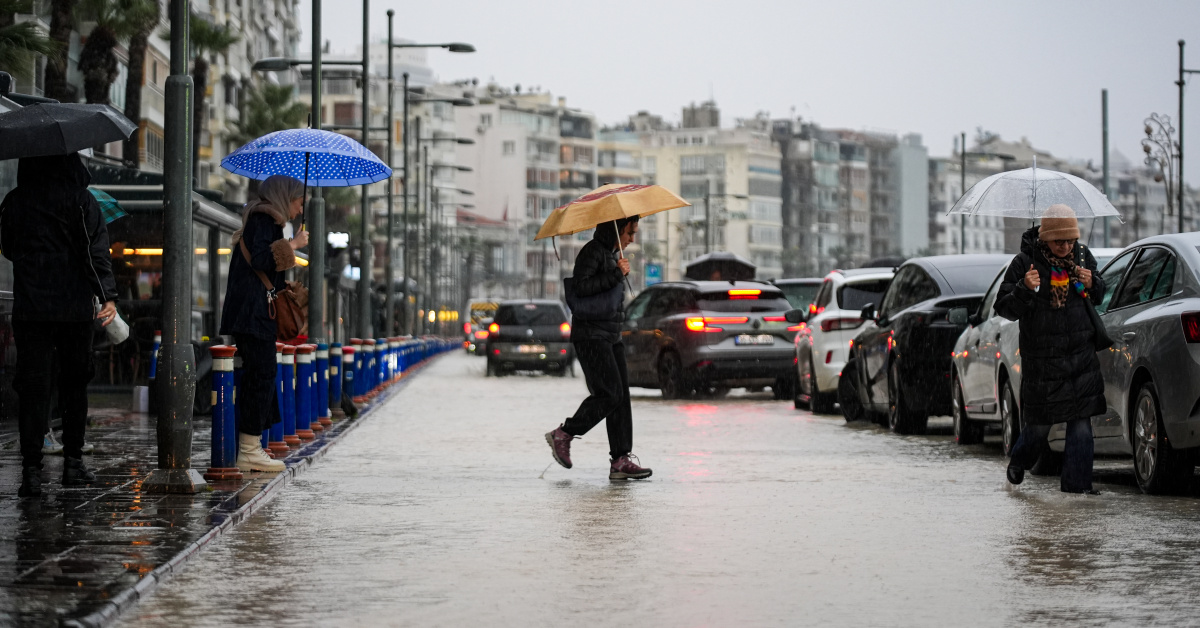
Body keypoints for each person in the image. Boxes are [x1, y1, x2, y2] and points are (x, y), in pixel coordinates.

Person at [0, 152, 118, 498]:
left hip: (31, 308)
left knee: (33, 388)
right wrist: (107, 295)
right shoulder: (81, 201)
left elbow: (7, 247)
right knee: (74, 385)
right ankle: (72, 464)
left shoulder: (16, 201)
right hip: (72, 309)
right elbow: (95, 252)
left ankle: (31, 473)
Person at [993, 204, 1105, 494]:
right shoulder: (1024, 263)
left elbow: (1101, 294)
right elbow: (1004, 308)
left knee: (1081, 426)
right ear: (1045, 238)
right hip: (1043, 361)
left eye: (1070, 241)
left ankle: (1076, 492)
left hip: (1080, 358)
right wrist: (1023, 287)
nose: (1065, 247)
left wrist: (1093, 282)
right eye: (1059, 241)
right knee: (1040, 426)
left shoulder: (1081, 257)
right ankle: (1019, 461)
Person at [546, 216, 651, 480]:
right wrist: (616, 274)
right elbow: (581, 288)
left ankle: (620, 460)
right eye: (630, 232)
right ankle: (564, 434)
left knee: (621, 398)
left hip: (611, 335)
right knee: (609, 394)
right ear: (617, 229)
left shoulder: (611, 254)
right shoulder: (592, 252)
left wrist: (617, 271)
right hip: (591, 336)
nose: (632, 238)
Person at [219, 175, 308, 473]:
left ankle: (252, 444)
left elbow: (269, 265)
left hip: (255, 312)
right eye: (299, 202)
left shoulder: (269, 220)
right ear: (285, 197)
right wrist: (292, 244)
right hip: (252, 314)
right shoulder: (263, 218)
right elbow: (261, 259)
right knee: (261, 375)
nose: (299, 210)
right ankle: (248, 449)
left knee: (263, 373)